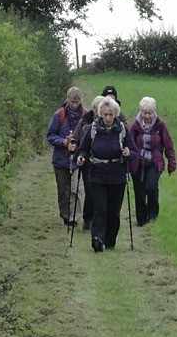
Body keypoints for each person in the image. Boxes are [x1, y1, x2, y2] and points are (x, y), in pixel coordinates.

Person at [76, 97, 137, 252]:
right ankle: (97, 238)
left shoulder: (122, 129)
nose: (108, 117)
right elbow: (83, 148)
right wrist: (81, 157)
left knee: (113, 211)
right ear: (100, 115)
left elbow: (134, 150)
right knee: (100, 208)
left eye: (111, 114)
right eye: (105, 114)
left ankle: (110, 239)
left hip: (117, 173)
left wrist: (128, 152)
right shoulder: (92, 129)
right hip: (97, 174)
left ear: (115, 114)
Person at [128, 97, 177, 226]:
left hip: (154, 162)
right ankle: (141, 218)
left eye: (150, 113)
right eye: (145, 113)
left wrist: (172, 162)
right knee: (139, 191)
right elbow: (129, 143)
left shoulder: (160, 125)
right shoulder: (135, 125)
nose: (147, 116)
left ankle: (152, 215)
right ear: (141, 112)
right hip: (138, 162)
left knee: (151, 187)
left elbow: (168, 144)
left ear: (154, 112)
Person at [47, 87, 84, 227]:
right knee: (63, 191)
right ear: (67, 99)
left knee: (77, 190)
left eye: (77, 102)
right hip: (61, 159)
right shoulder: (59, 115)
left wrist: (78, 144)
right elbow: (50, 135)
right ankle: (65, 215)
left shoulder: (85, 116)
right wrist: (63, 142)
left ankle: (75, 217)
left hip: (77, 160)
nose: (74, 105)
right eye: (72, 101)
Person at [69, 95, 105, 231]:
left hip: (104, 163)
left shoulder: (112, 122)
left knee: (101, 192)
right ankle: (88, 218)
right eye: (96, 110)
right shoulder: (85, 121)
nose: (99, 113)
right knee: (90, 192)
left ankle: (99, 219)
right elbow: (76, 137)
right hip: (88, 162)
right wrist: (73, 144)